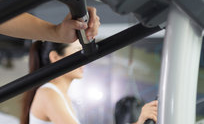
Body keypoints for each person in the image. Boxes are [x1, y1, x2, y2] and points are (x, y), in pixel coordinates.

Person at [21, 41, 157, 124]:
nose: (84, 60)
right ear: (55, 57)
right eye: (77, 52)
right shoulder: (48, 93)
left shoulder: (64, 97)